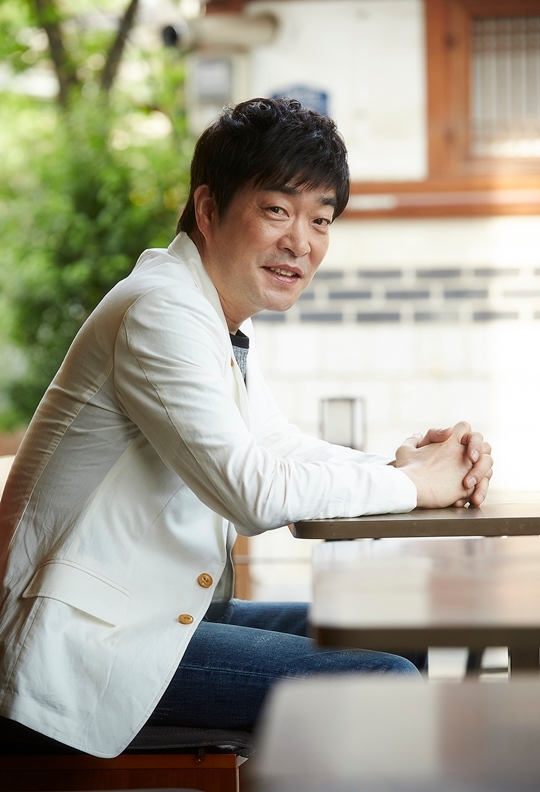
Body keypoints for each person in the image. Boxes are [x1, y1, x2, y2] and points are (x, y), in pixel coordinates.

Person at [0, 98, 492, 758]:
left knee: (399, 633)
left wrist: (402, 468)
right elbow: (253, 492)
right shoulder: (161, 310)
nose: (302, 242)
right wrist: (415, 487)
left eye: (321, 219)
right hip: (85, 642)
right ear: (208, 209)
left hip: (156, 615)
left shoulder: (209, 314)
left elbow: (274, 445)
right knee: (381, 679)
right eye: (278, 210)